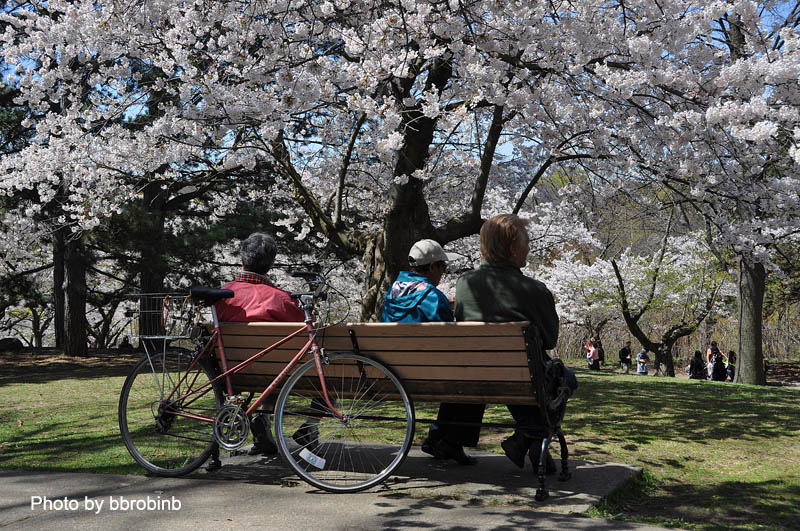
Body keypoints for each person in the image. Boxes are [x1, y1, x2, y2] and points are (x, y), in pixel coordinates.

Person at [455, 214, 563, 475]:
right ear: (513, 248)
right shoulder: (534, 290)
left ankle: (526, 437)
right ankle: (530, 436)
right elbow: (550, 339)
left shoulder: (464, 283)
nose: (530, 247)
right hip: (523, 377)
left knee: (519, 373)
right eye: (527, 242)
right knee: (564, 378)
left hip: (472, 374)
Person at [381, 239, 477, 466]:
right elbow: (451, 340)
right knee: (470, 377)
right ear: (432, 267)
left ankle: (437, 438)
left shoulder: (392, 292)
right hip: (430, 376)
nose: (444, 272)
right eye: (443, 267)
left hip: (393, 373)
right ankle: (450, 440)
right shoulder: (433, 297)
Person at [215, 232, 305, 456]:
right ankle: (265, 419)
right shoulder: (283, 300)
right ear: (271, 264)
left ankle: (262, 424)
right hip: (274, 375)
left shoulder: (221, 296)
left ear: (243, 260)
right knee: (279, 367)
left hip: (231, 373)